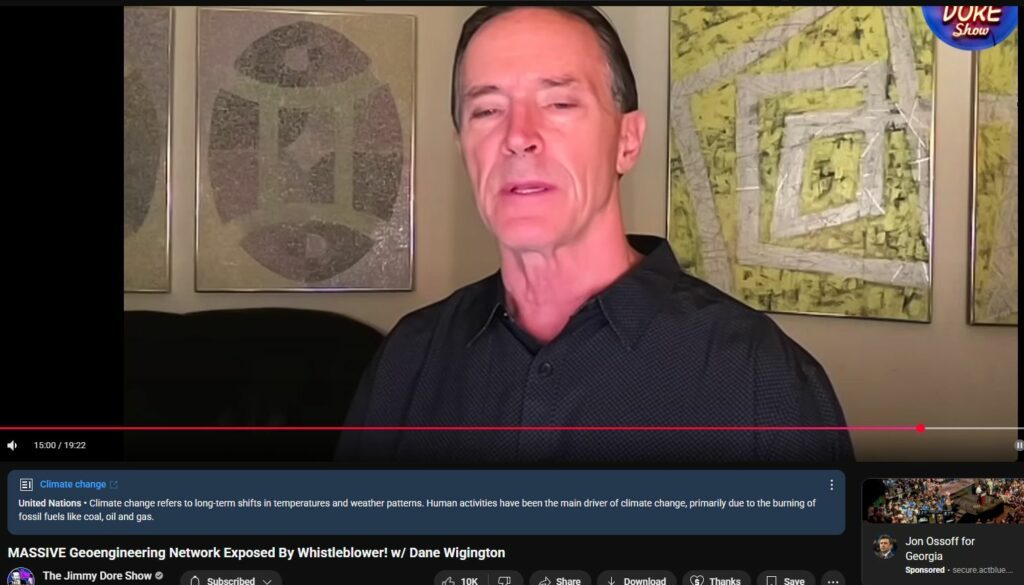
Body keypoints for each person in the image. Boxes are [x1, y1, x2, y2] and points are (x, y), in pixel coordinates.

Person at [336, 6, 854, 464]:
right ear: (464, 149)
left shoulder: (758, 376)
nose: (518, 137)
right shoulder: (409, 359)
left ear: (627, 141)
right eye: (487, 110)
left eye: (559, 103)